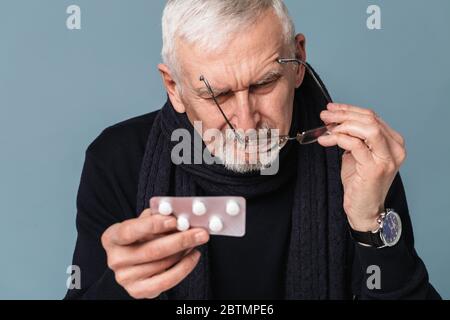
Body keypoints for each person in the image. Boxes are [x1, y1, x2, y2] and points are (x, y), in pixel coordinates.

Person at [65, 0, 440, 300]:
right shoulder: (116, 160)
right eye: (219, 95)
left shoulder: (358, 161)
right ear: (173, 87)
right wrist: (120, 287)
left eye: (264, 83)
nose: (245, 124)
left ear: (298, 63)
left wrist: (370, 224)